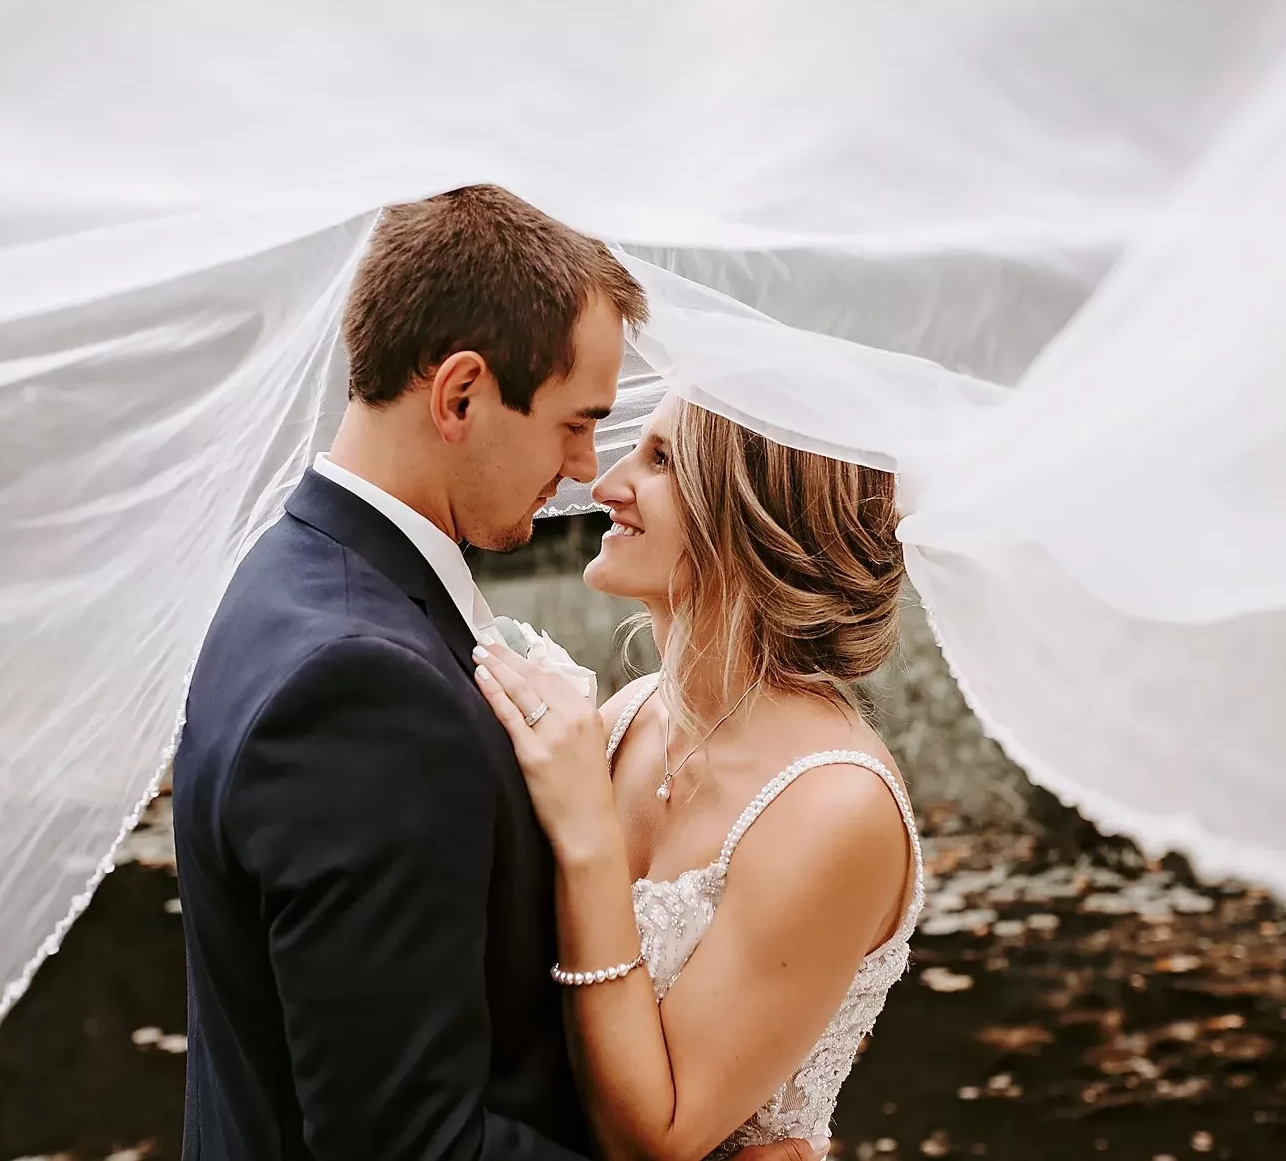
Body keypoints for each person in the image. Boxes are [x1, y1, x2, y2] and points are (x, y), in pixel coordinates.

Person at [171, 185, 821, 1160]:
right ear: (460, 393)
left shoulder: (288, 577)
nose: (578, 470)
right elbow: (409, 1146)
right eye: (572, 421)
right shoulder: (361, 689)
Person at [471, 393, 922, 1159]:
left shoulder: (834, 806)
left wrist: (587, 836)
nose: (607, 484)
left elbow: (653, 1137)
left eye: (659, 461)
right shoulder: (620, 721)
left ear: (748, 518)